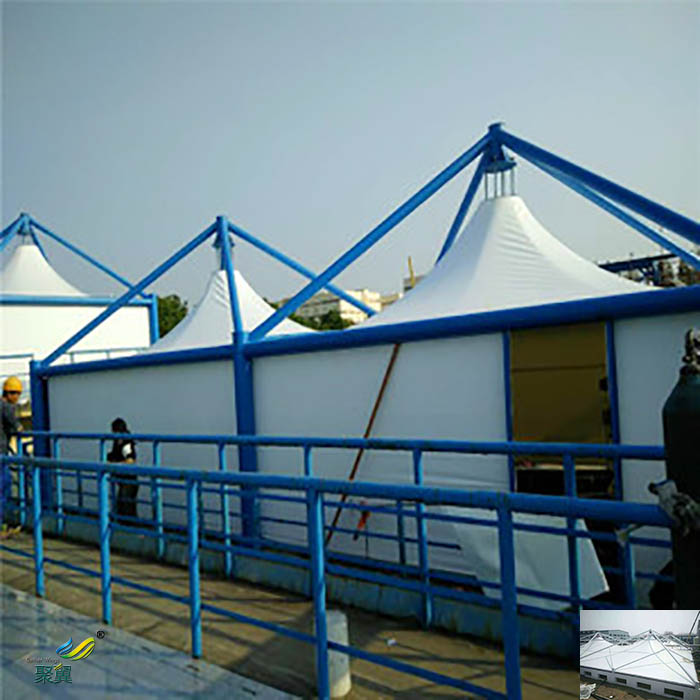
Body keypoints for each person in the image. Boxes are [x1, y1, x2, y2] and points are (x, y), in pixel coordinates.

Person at [1, 377, 23, 538]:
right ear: (9, 393)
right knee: (4, 487)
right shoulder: (6, 407)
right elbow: (16, 427)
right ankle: (3, 525)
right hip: (1, 453)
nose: (17, 397)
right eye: (16, 394)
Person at [107, 418, 138, 524]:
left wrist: (115, 464)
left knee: (127, 507)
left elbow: (130, 460)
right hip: (124, 479)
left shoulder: (126, 442)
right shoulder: (118, 442)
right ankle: (126, 525)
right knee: (122, 505)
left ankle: (130, 527)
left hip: (128, 480)